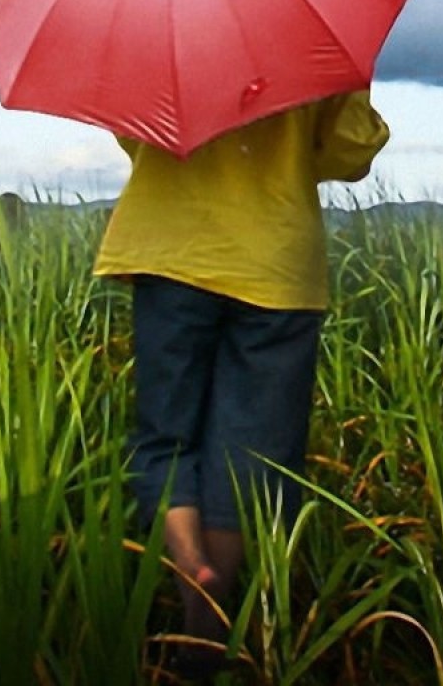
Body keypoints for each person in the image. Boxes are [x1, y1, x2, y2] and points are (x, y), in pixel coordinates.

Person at [93, 88, 389, 677]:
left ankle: (189, 566)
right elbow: (348, 156)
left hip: (170, 249)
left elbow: (134, 132)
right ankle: (211, 617)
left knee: (164, 436)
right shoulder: (317, 35)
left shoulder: (160, 15)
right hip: (274, 263)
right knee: (252, 453)